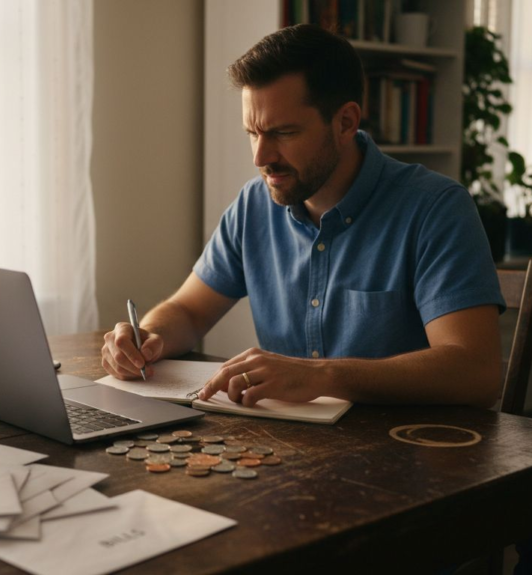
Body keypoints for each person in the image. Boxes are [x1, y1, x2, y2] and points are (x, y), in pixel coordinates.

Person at [101, 24, 505, 409]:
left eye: (283, 133)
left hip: (409, 460)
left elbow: (477, 371)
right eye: (252, 133)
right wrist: (147, 336)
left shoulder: (435, 208)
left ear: (345, 122)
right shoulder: (253, 205)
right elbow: (188, 311)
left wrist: (322, 375)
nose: (261, 158)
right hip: (285, 454)